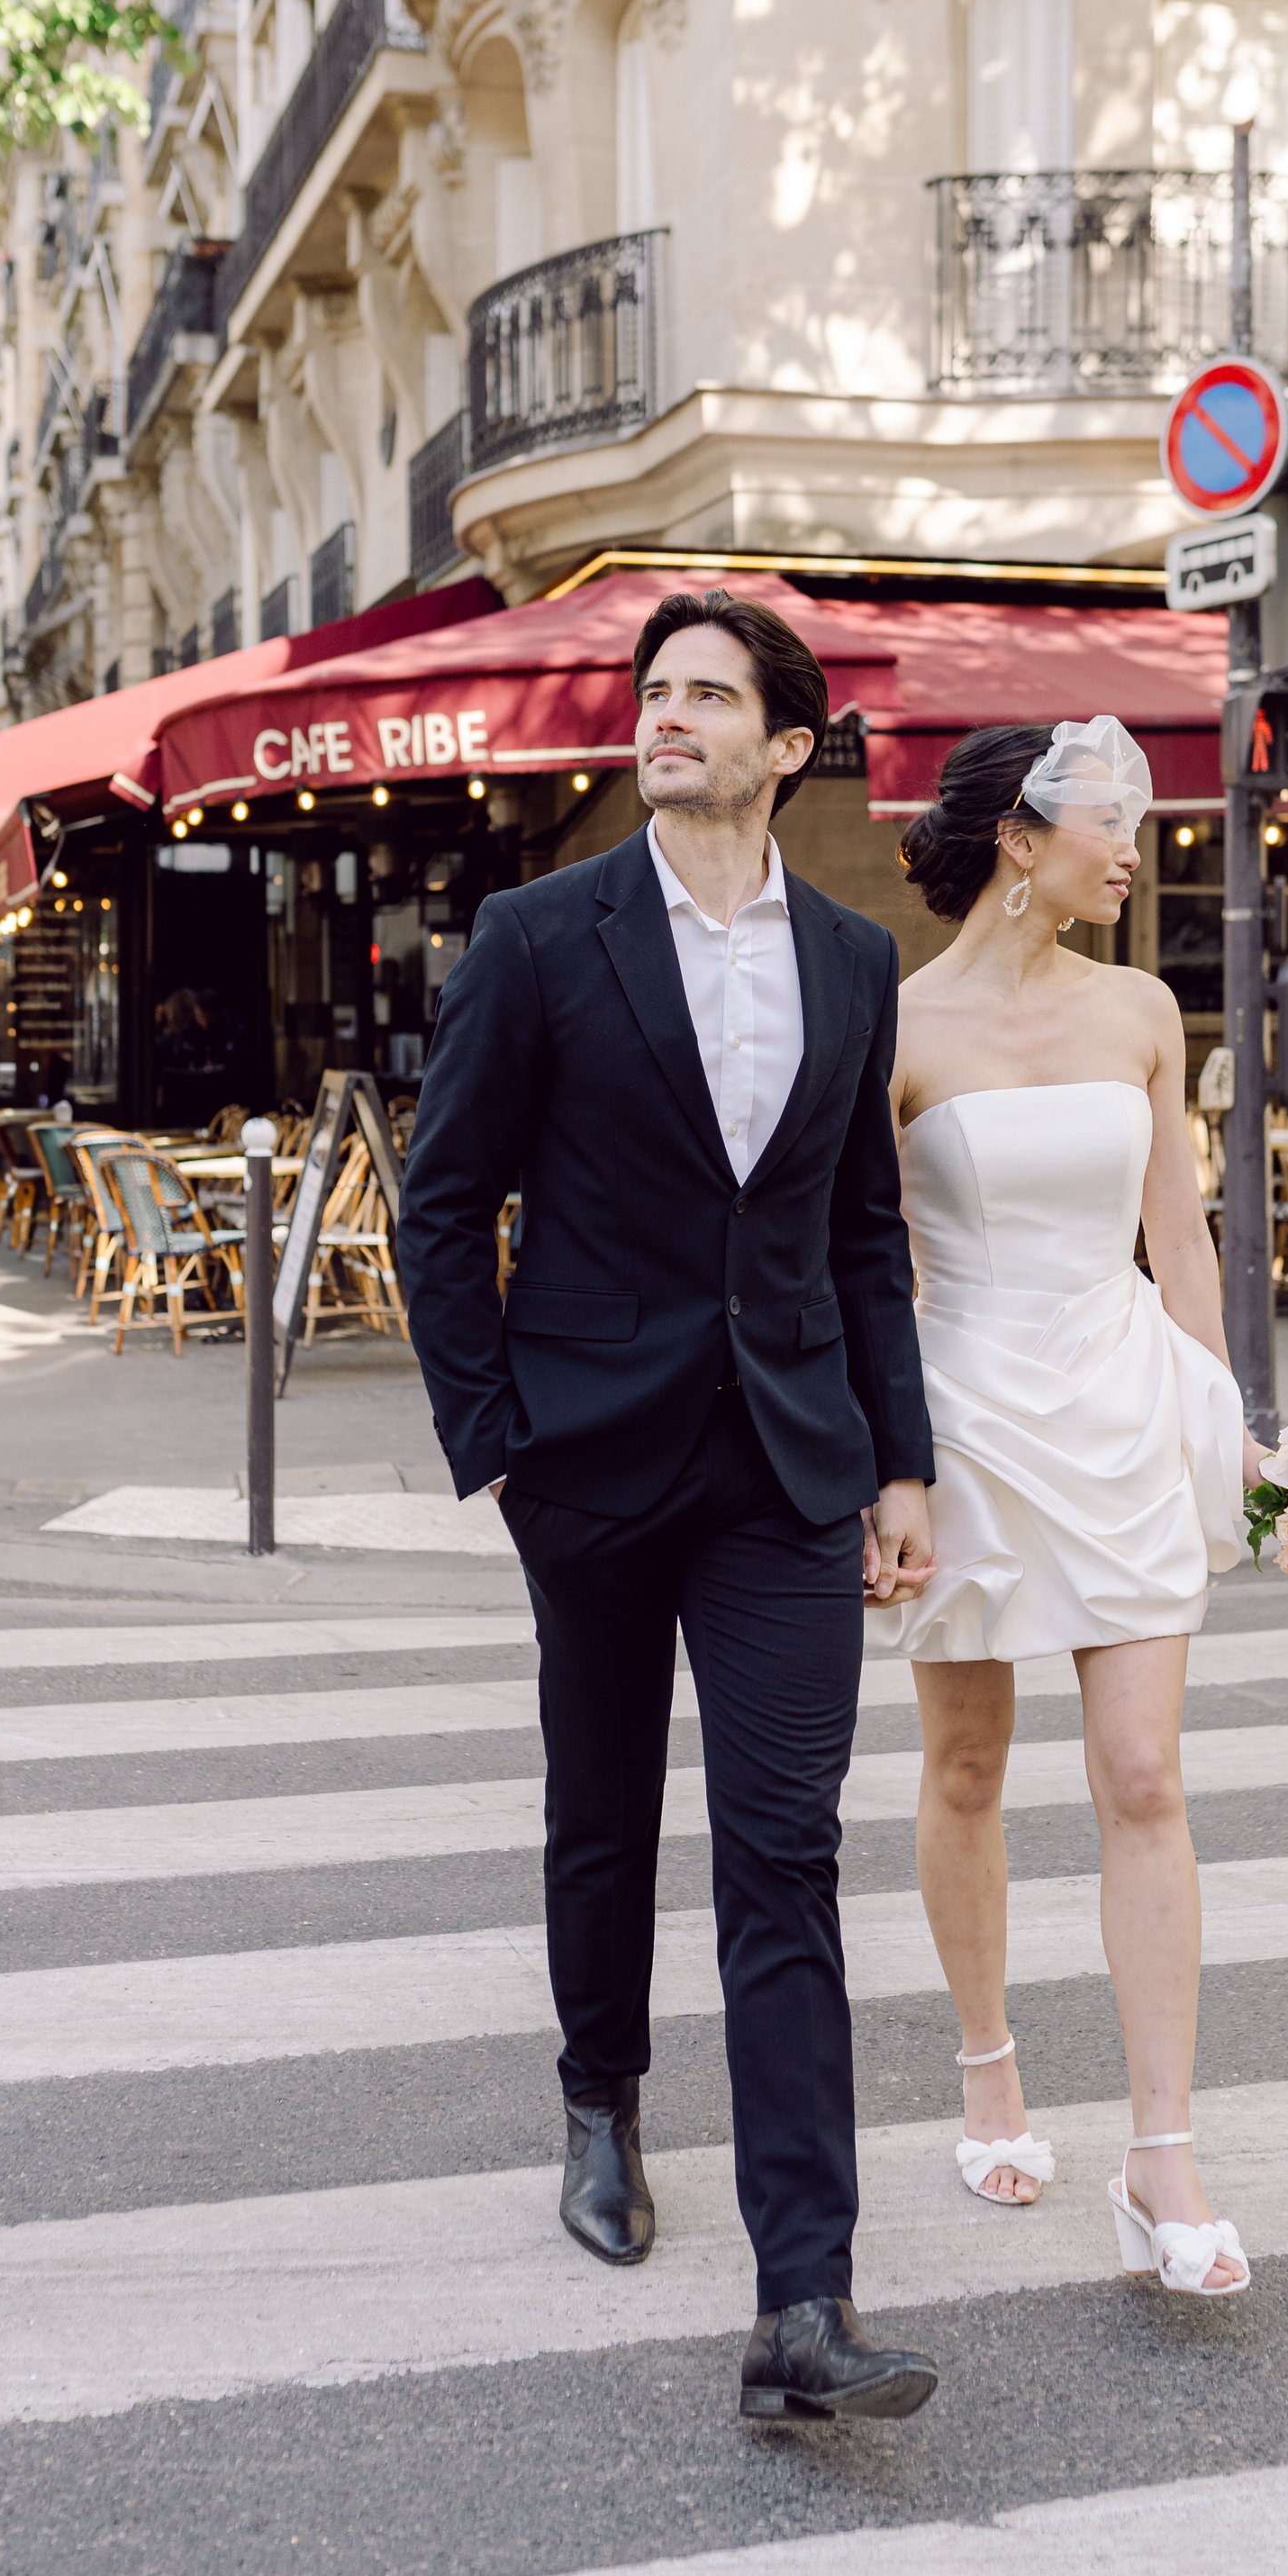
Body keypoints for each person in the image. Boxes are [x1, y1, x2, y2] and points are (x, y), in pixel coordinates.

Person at [400, 587, 944, 2420]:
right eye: (656, 694)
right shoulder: (541, 936)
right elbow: (441, 1194)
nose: (668, 716)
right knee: (604, 1808)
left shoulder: (853, 964)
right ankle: (598, 2103)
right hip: (592, 1456)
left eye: (710, 696)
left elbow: (858, 1235)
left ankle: (806, 2298)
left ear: (788, 747)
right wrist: (496, 1439)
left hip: (785, 1464)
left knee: (785, 1850)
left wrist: (899, 1459)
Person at [874, 720, 1267, 2296]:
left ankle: (1162, 2157)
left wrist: (1236, 1431)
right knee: (968, 1761)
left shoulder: (1143, 1009)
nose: (1133, 849)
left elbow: (1182, 1242)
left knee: (1144, 1769)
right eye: (1109, 823)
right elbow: (868, 1268)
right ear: (1018, 843)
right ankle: (988, 2066)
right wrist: (880, 1469)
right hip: (965, 1421)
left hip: (1119, 1411)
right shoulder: (891, 1032)